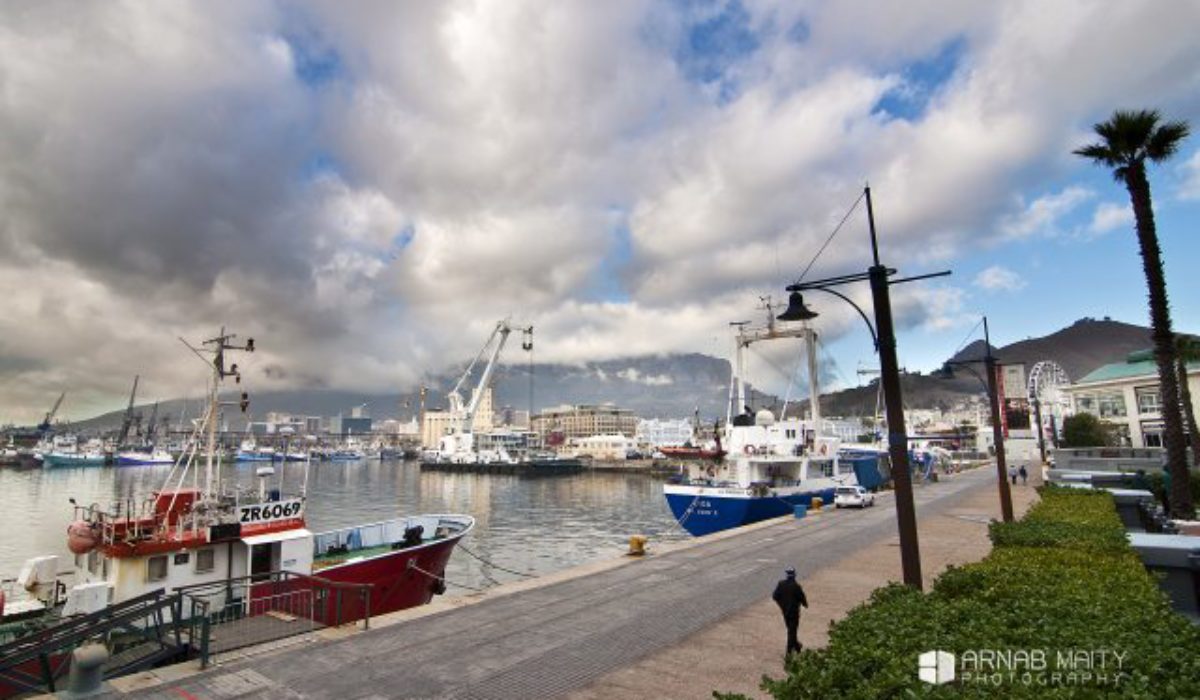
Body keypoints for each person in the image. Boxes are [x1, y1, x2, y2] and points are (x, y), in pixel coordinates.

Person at [772, 567, 808, 660]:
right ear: (794, 575)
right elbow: (802, 597)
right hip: (794, 613)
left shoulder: (781, 584)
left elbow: (775, 596)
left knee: (791, 630)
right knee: (792, 631)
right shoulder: (796, 586)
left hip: (785, 612)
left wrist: (781, 604)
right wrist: (805, 604)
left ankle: (796, 646)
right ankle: (788, 652)